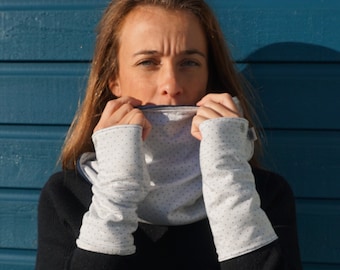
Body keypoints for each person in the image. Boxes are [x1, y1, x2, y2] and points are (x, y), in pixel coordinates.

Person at [35, 0, 302, 269]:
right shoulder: (65, 196)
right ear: (114, 78)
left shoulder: (265, 194)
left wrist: (227, 177)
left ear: (209, 77)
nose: (171, 85)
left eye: (189, 62)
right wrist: (117, 189)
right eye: (148, 62)